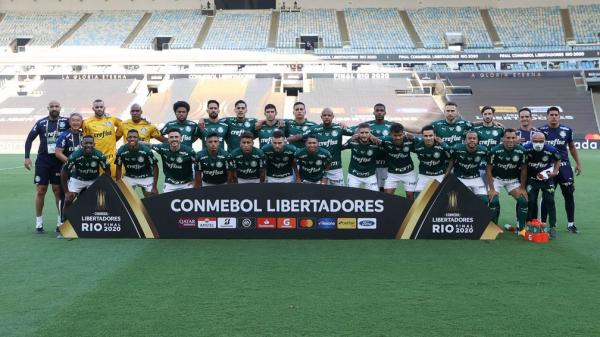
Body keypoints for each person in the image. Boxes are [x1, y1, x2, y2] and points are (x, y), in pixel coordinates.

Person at [24, 100, 70, 233]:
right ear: (48, 108)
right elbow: (29, 138)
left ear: (60, 108)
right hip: (43, 161)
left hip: (58, 161)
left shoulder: (66, 122)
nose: (54, 108)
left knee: (57, 190)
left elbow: (79, 125)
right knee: (41, 190)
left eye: (56, 106)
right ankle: (39, 223)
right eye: (52, 106)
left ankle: (60, 222)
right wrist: (27, 157)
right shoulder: (41, 122)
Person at [539, 107, 582, 234]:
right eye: (551, 114)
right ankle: (543, 223)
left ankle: (571, 224)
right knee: (547, 196)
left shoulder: (567, 130)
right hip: (548, 167)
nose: (553, 116)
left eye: (556, 114)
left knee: (568, 194)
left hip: (564, 167)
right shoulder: (541, 131)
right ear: (547, 116)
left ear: (559, 116)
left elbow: (572, 147)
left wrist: (578, 163)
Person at [486, 128, 528, 231]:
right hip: (497, 179)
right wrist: (491, 189)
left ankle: (521, 229)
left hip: (512, 180)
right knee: (493, 201)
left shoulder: (521, 150)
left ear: (516, 138)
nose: (511, 140)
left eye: (513, 138)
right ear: (503, 139)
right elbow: (488, 170)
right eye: (508, 138)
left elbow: (524, 169)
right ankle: (493, 227)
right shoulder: (495, 150)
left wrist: (522, 188)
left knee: (523, 201)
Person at [524, 132, 561, 239]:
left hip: (546, 179)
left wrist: (555, 171)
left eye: (541, 141)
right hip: (532, 180)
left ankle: (553, 227)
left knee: (550, 200)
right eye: (535, 141)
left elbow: (558, 160)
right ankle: (531, 224)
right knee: (531, 201)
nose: (538, 144)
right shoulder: (526, 148)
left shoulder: (551, 149)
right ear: (531, 141)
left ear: (544, 141)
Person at [61, 135, 109, 217]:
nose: (88, 145)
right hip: (77, 179)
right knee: (68, 200)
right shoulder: (75, 155)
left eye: (90, 143)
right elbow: (63, 172)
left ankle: (97, 221)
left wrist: (103, 185)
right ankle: (64, 222)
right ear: (82, 144)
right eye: (86, 143)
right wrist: (66, 192)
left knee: (100, 201)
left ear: (94, 144)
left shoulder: (99, 155)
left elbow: (107, 171)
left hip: (93, 180)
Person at [304, 108, 353, 186]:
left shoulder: (339, 128)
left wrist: (345, 145)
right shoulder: (314, 129)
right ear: (321, 117)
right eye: (324, 115)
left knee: (339, 194)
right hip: (319, 168)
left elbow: (356, 133)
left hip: (336, 169)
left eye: (329, 115)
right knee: (321, 195)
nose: (327, 117)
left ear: (333, 116)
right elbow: (300, 137)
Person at [82, 99, 121, 177]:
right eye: (97, 107)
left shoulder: (111, 119)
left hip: (111, 159)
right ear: (93, 108)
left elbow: (123, 126)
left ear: (104, 108)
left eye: (101, 107)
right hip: (96, 158)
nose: (99, 109)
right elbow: (85, 141)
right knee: (97, 185)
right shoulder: (87, 122)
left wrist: (115, 138)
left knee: (113, 185)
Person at [115, 130, 159, 197]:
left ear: (138, 139)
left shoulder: (146, 150)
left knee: (153, 197)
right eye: (130, 137)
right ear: (127, 139)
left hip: (146, 176)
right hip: (130, 177)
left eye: (135, 137)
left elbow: (155, 167)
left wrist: (155, 186)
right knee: (123, 197)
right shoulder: (121, 150)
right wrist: (119, 185)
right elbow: (118, 168)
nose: (132, 139)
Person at [448, 131, 489, 202]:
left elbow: (489, 164)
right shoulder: (456, 149)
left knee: (484, 200)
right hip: (460, 178)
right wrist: (448, 173)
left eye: (474, 138)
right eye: (469, 138)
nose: (472, 140)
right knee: (460, 200)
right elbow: (451, 160)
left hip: (475, 178)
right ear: (465, 141)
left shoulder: (483, 150)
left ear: (477, 140)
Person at [151, 128, 196, 193]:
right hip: (170, 184)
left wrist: (195, 181)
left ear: (180, 139)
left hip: (187, 184)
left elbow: (197, 166)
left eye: (176, 137)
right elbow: (149, 145)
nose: (174, 139)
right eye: (171, 137)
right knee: (167, 202)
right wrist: (135, 142)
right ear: (168, 139)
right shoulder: (162, 148)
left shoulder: (189, 151)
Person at [381, 123, 417, 200]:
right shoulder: (385, 140)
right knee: (387, 196)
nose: (398, 138)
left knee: (410, 196)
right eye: (395, 135)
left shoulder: (410, 140)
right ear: (390, 134)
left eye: (400, 135)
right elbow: (373, 139)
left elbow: (423, 139)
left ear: (403, 133)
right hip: (392, 173)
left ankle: (410, 211)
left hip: (408, 172)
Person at [413, 125, 452, 196]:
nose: (428, 138)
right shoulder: (417, 145)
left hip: (439, 175)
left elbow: (451, 159)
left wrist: (447, 172)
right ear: (422, 136)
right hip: (424, 175)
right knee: (418, 196)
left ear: (435, 135)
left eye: (430, 135)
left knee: (441, 197)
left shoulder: (442, 146)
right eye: (425, 136)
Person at [343, 123, 381, 191]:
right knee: (351, 196)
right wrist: (350, 139)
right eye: (362, 133)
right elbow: (340, 148)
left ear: (370, 133)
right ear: (358, 133)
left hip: (370, 176)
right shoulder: (353, 141)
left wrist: (378, 141)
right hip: (354, 175)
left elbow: (387, 144)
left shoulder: (375, 142)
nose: (364, 135)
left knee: (374, 197)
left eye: (366, 132)